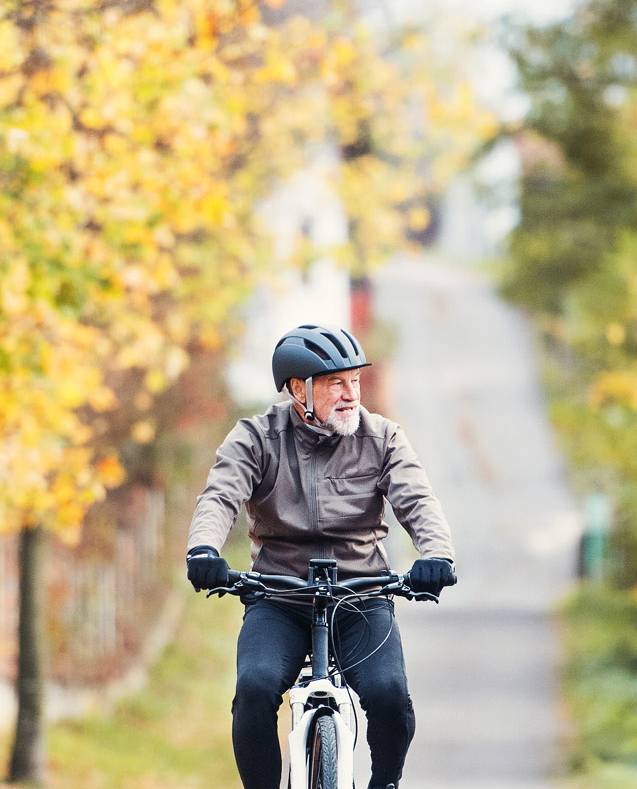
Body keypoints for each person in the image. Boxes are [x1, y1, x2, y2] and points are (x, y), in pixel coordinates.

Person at [186, 323, 457, 789]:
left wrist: (437, 555)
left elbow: (418, 501)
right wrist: (203, 549)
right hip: (279, 596)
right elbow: (220, 496)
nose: (352, 394)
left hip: (361, 596)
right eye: (337, 383)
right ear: (298, 390)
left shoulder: (383, 438)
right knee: (254, 689)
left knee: (389, 693)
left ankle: (385, 784)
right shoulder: (255, 437)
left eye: (354, 381)